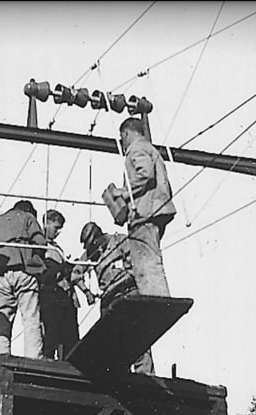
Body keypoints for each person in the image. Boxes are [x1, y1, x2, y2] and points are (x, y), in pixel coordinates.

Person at [73, 221, 154, 375]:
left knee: (137, 338)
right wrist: (87, 292)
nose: (95, 250)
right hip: (109, 301)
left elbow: (137, 265)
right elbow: (75, 274)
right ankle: (119, 376)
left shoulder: (120, 241)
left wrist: (121, 281)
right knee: (112, 342)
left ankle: (144, 376)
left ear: (99, 236)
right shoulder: (91, 253)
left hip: (129, 295)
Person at [112, 116, 176, 296]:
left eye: (122, 137)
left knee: (144, 260)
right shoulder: (151, 149)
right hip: (157, 209)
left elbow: (146, 174)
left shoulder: (136, 149)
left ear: (126, 134)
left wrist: (124, 193)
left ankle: (154, 298)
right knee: (151, 256)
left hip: (145, 212)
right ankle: (158, 296)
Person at [0, 200, 46, 361]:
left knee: (2, 321)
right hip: (23, 272)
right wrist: (33, 260)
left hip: (0, 276)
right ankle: (34, 360)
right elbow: (41, 243)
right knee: (30, 318)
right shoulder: (28, 218)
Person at [39, 209, 80, 360]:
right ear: (46, 224)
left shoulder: (57, 248)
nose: (58, 232)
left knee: (68, 334)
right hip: (48, 293)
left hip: (63, 294)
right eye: (56, 228)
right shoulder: (39, 246)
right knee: (51, 332)